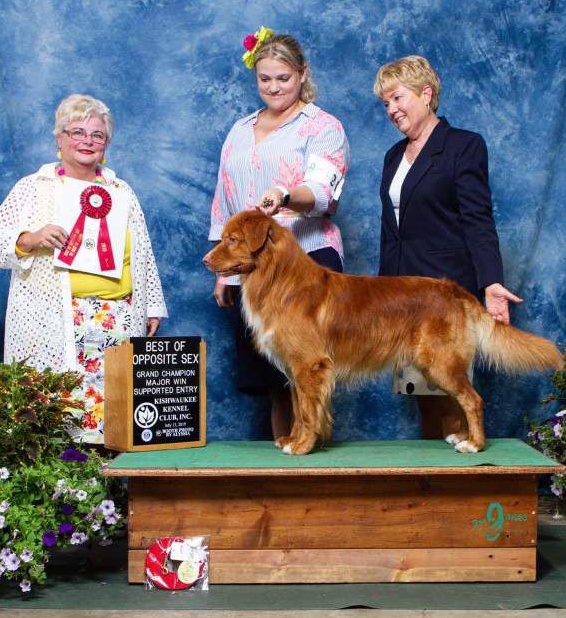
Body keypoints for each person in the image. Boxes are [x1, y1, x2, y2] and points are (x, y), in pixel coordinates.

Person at [0, 93, 167, 444]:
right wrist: (30, 237)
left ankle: (113, 496)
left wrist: (152, 304)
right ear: (59, 139)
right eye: (77, 132)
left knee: (115, 419)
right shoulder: (33, 187)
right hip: (54, 317)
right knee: (58, 415)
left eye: (97, 135)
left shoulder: (121, 190)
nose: (87, 141)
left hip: (118, 318)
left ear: (106, 143)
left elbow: (142, 251)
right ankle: (65, 495)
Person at [207, 27, 349, 440]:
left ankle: (312, 455)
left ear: (302, 74)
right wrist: (226, 270)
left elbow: (324, 192)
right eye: (265, 79)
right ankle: (284, 463)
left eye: (283, 78)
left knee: (308, 366)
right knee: (273, 380)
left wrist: (285, 195)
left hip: (307, 259)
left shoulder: (322, 126)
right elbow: (225, 200)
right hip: (252, 270)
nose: (274, 87)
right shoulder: (239, 129)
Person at [373, 55, 521, 440]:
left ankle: (463, 481)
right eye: (386, 103)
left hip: (444, 294)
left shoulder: (463, 146)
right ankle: (431, 489)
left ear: (426, 94)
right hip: (400, 296)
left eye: (398, 98)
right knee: (421, 393)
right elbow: (392, 232)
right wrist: (381, 291)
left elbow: (478, 218)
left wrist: (490, 282)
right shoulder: (392, 156)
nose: (391, 109)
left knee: (450, 389)